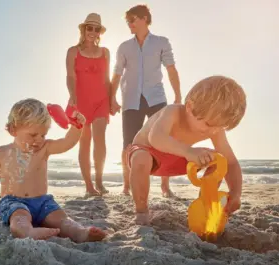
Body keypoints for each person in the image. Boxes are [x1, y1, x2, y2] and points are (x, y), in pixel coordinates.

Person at [0, 98, 106, 242]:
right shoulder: (3, 152)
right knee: (19, 219)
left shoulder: (44, 148)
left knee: (62, 219)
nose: (38, 139)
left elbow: (67, 142)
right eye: (33, 134)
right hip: (13, 202)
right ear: (13, 130)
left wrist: (76, 127)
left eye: (43, 134)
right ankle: (28, 232)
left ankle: (80, 233)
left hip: (42, 201)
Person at [124, 75, 246, 225]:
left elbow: (231, 162)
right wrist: (189, 152)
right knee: (141, 158)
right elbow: (155, 138)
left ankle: (205, 203)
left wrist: (236, 193)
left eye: (219, 127)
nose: (213, 131)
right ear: (189, 107)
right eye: (209, 124)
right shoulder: (172, 112)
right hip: (149, 153)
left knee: (218, 159)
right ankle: (141, 211)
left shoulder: (214, 129)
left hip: (177, 159)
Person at [110, 4, 181, 197]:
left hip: (156, 98)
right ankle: (127, 186)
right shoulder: (124, 47)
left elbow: (171, 69)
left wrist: (177, 96)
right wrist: (112, 98)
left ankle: (165, 187)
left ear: (143, 19)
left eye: (132, 20)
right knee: (128, 144)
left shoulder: (161, 42)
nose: (129, 24)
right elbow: (116, 75)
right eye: (127, 21)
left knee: (165, 140)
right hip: (131, 99)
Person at [66, 13, 116, 197]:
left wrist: (112, 100)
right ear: (84, 29)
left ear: (99, 32)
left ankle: (100, 181)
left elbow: (107, 79)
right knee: (84, 143)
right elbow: (70, 76)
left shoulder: (105, 52)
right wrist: (72, 95)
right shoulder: (73, 51)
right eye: (89, 28)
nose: (92, 32)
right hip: (81, 101)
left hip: (101, 99)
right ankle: (89, 186)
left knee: (100, 140)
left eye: (96, 29)